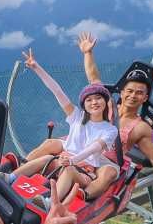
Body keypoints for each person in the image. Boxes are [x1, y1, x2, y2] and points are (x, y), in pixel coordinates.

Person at [77, 31, 153, 195]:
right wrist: (88, 53)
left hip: (105, 163)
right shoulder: (106, 106)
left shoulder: (140, 127)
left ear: (145, 98)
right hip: (81, 150)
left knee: (103, 176)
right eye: (129, 91)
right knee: (50, 145)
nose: (132, 96)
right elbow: (94, 78)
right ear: (122, 93)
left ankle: (78, 198)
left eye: (138, 93)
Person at [12, 48, 120, 203]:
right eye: (89, 100)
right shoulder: (76, 116)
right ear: (84, 104)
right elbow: (57, 91)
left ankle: (49, 202)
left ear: (105, 101)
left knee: (68, 170)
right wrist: (37, 68)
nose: (94, 102)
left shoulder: (110, 130)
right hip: (63, 161)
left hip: (82, 170)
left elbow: (95, 148)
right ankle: (11, 177)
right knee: (48, 157)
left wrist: (72, 161)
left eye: (98, 98)